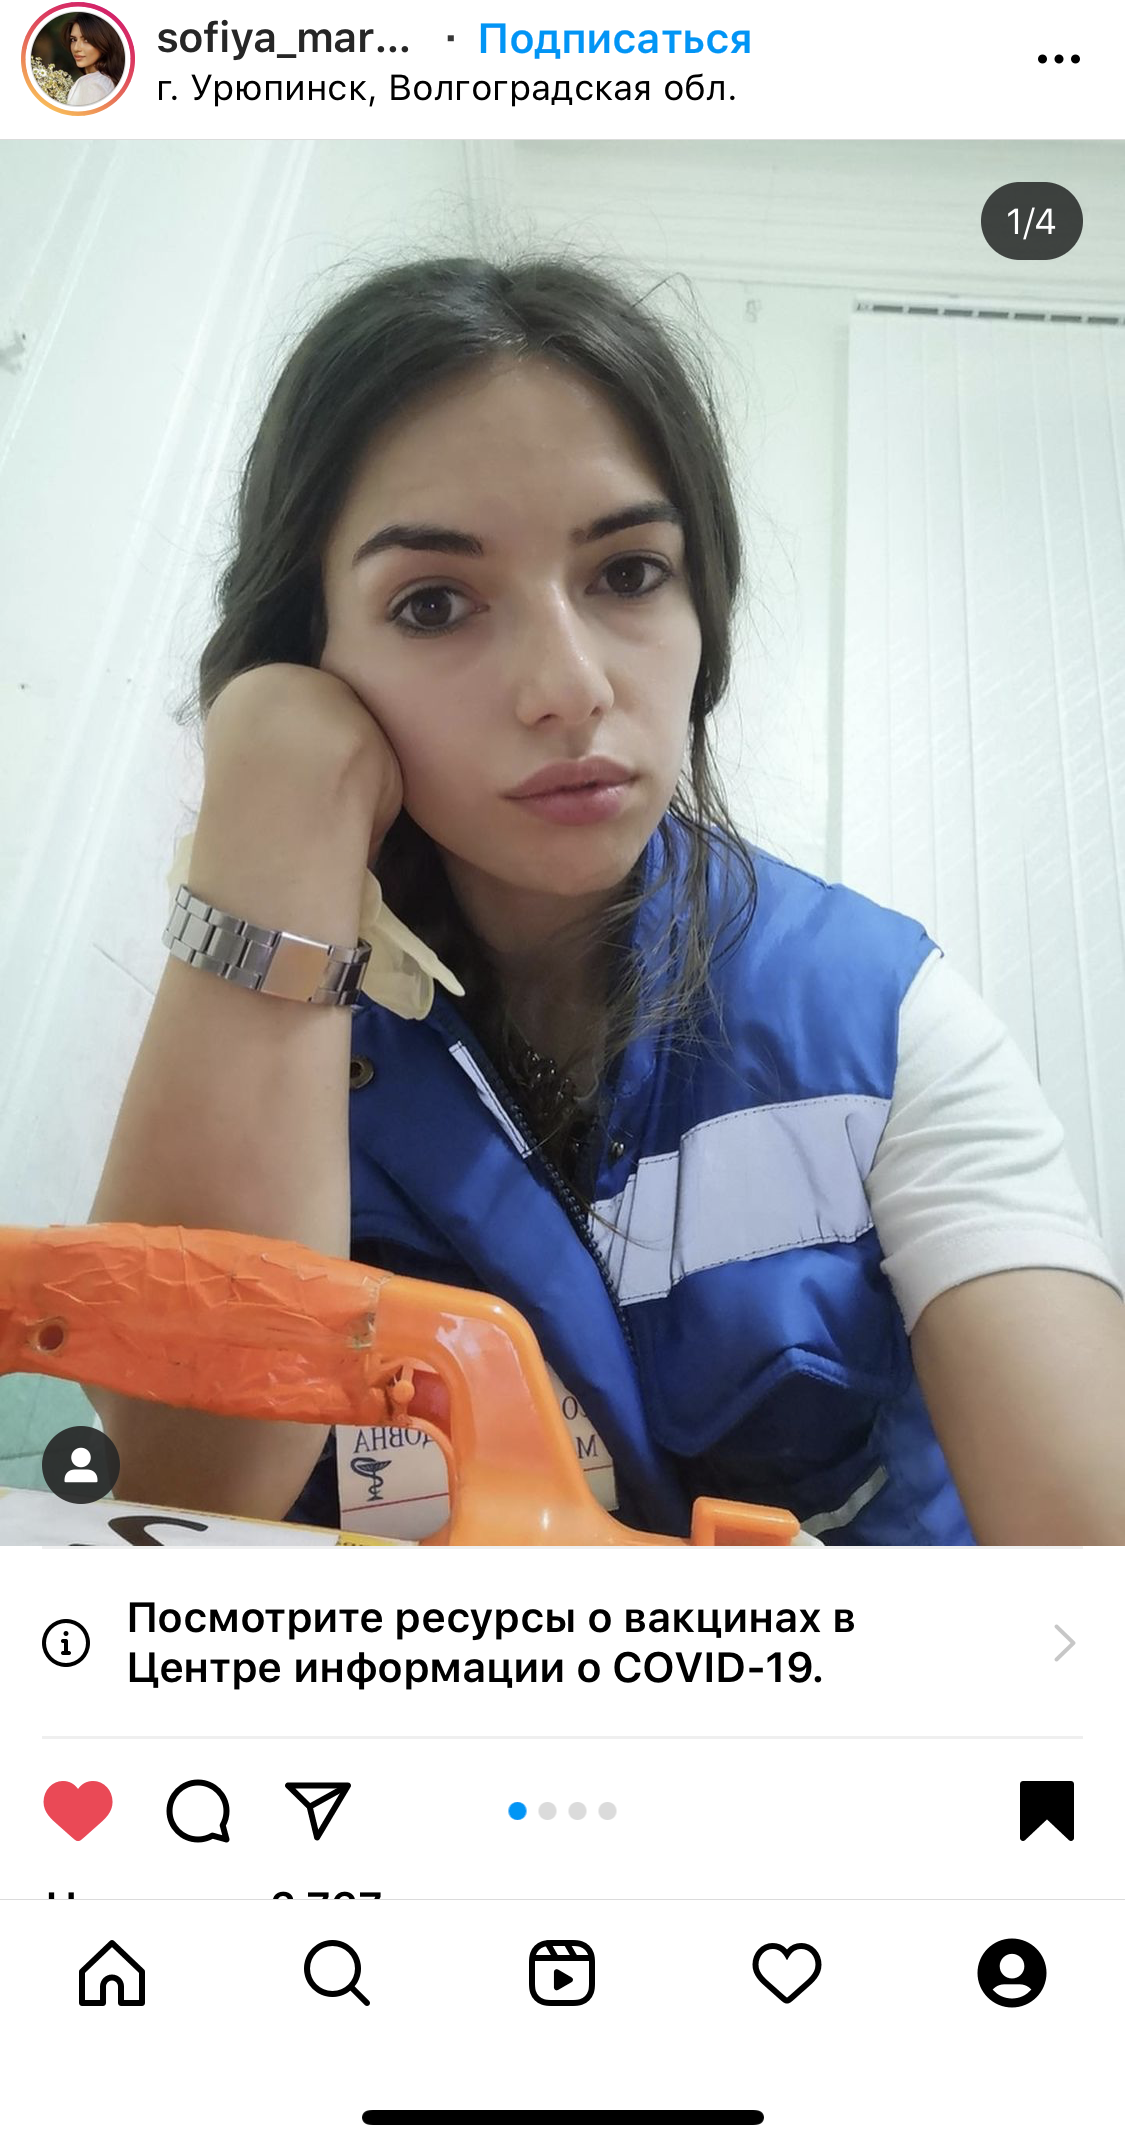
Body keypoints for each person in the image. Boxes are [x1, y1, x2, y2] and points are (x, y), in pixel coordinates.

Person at [85, 257, 1125, 1542]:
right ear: (314, 651)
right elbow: (182, 1489)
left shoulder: (880, 1015)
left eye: (629, 574)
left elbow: (1086, 1565)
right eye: (433, 604)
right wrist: (275, 790)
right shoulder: (269, 1035)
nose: (568, 687)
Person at [64, 15, 124, 107]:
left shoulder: (91, 83)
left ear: (104, 42)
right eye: (73, 39)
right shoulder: (111, 81)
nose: (76, 48)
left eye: (86, 40)